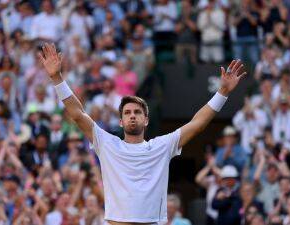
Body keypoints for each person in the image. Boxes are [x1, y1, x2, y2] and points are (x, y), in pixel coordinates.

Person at [38, 43, 246, 225]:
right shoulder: (106, 143)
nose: (132, 116)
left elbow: (198, 124)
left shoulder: (162, 146)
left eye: (137, 112)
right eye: (127, 113)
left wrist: (223, 93)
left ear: (146, 120)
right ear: (120, 121)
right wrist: (56, 78)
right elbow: (77, 114)